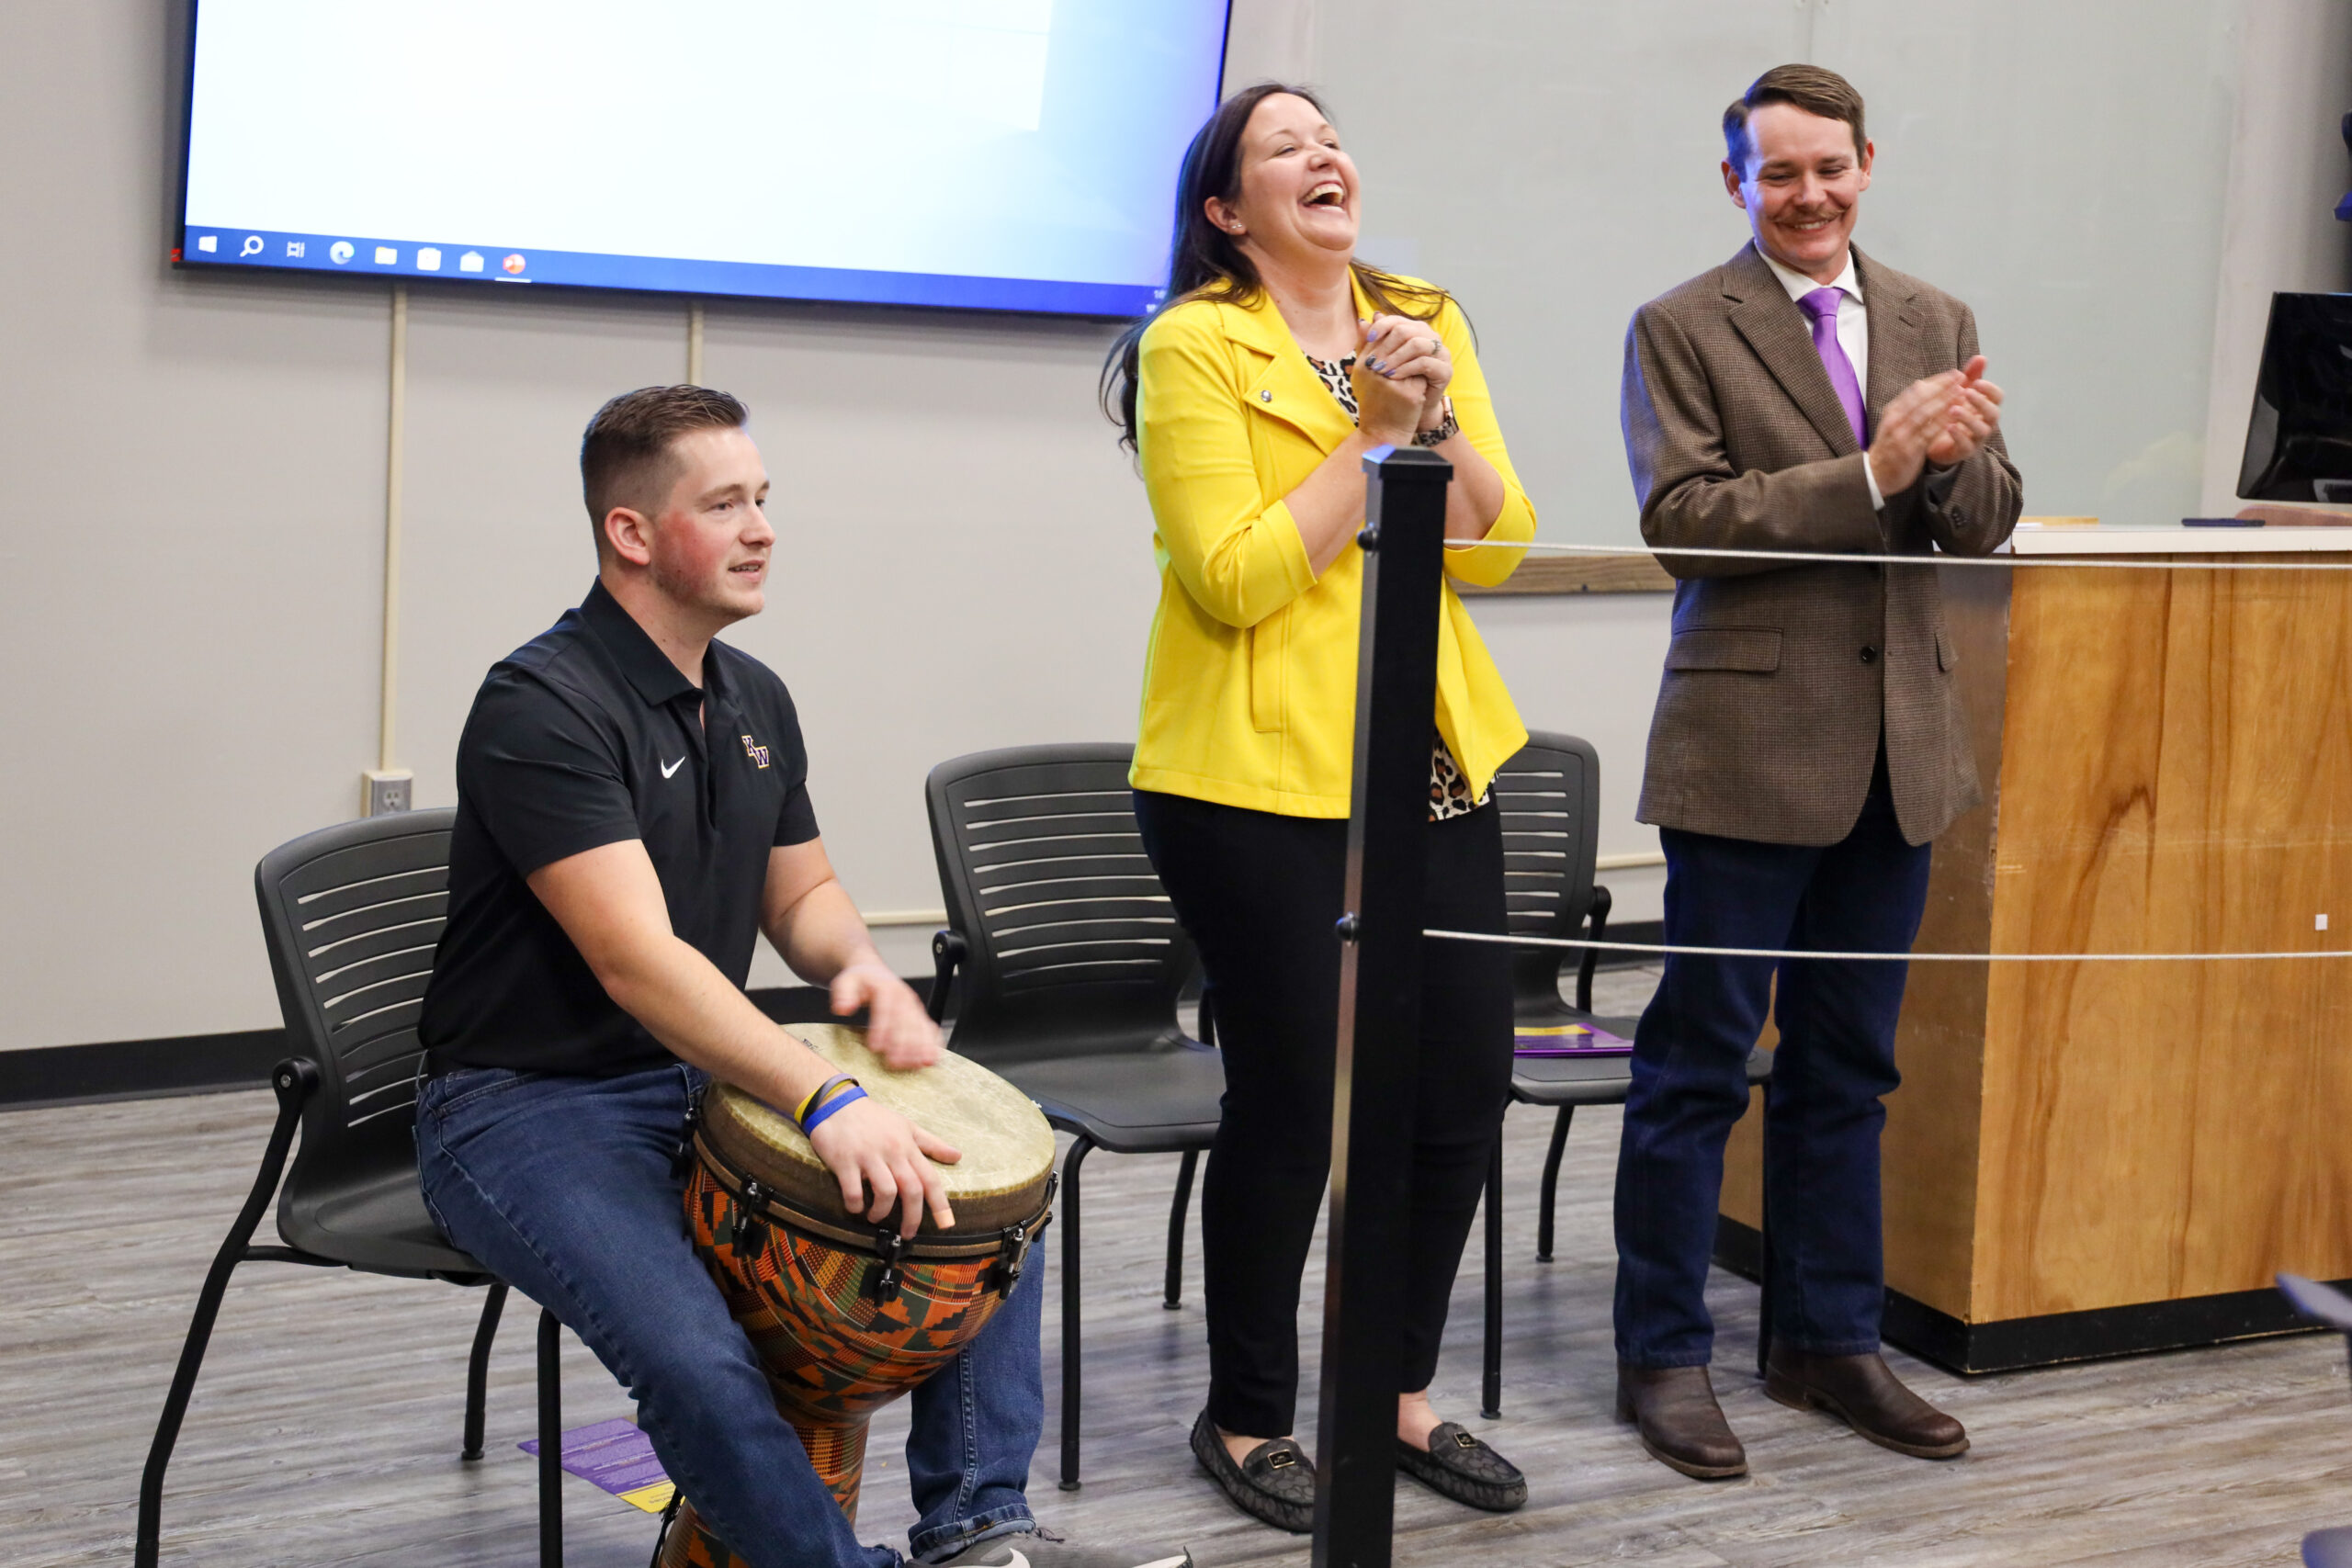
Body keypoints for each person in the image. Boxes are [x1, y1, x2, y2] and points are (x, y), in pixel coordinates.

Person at [413, 385, 1190, 1568]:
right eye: (723, 504)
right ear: (630, 534)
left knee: (975, 1204)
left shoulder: (752, 695)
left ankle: (981, 1532)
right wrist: (823, 1096)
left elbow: (802, 898)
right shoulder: (543, 704)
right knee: (694, 1360)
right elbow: (638, 960)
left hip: (692, 1082)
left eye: (762, 499)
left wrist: (861, 974)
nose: (762, 527)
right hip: (522, 1104)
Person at [1101, 83, 1535, 1533]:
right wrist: (1375, 433)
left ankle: (1393, 1394)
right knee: (1294, 1104)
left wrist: (1441, 416)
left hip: (1427, 766)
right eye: (1284, 148)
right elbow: (1232, 576)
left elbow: (1497, 549)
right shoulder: (1193, 344)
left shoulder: (1423, 312)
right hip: (1252, 783)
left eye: (1330, 136)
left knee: (1463, 1084)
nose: (1324, 156)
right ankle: (1247, 1417)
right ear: (1229, 210)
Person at [1611, 64, 2023, 1479]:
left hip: (1901, 753)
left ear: (1867, 165)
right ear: (1736, 184)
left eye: (1830, 169)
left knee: (1849, 1068)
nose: (1810, 195)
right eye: (1778, 174)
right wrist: (1874, 465)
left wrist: (1952, 466)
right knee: (1696, 1071)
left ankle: (1825, 1341)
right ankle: (1665, 1356)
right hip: (1746, 754)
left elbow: (1981, 523)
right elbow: (1686, 520)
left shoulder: (1933, 316)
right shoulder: (1682, 324)